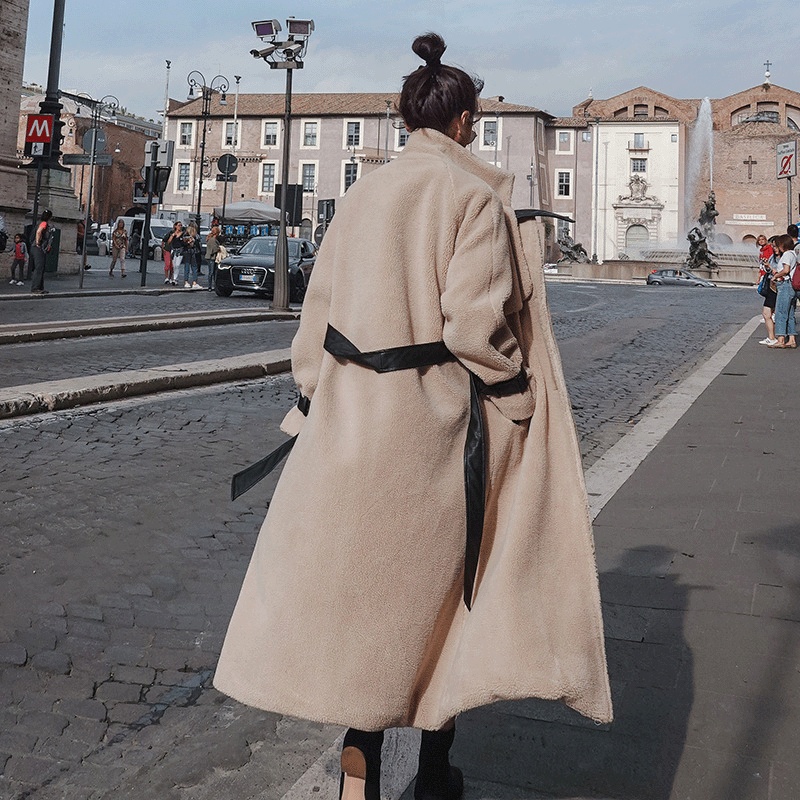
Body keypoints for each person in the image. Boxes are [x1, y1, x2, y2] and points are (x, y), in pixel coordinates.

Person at [213, 33, 612, 800]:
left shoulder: (363, 195)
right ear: (463, 122)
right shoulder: (472, 197)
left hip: (352, 425)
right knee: (446, 608)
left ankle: (358, 758)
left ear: (406, 121)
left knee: (364, 608)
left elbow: (316, 319)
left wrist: (315, 398)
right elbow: (474, 327)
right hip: (434, 434)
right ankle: (432, 773)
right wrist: (518, 395)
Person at [768, 233, 798, 348]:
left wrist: (775, 276)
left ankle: (780, 339)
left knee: (780, 312)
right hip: (792, 286)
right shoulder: (794, 254)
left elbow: (786, 270)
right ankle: (792, 339)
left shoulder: (786, 255)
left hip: (785, 285)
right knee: (790, 313)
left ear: (782, 245)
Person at [756, 234, 777, 345]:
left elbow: (773, 268)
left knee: (767, 311)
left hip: (772, 281)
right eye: (759, 240)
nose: (761, 241)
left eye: (763, 239)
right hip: (768, 278)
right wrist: (759, 276)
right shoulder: (762, 250)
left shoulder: (769, 250)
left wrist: (768, 268)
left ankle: (773, 338)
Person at [30, 209, 53, 295]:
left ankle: (40, 287)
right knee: (39, 268)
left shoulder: (40, 222)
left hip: (35, 248)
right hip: (38, 248)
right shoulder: (44, 223)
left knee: (41, 268)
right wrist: (38, 243)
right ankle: (35, 288)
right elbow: (39, 232)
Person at [181, 223, 201, 288]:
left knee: (187, 266)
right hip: (192, 251)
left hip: (187, 251)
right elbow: (198, 244)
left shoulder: (185, 234)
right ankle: (194, 282)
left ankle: (186, 282)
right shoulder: (196, 235)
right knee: (194, 267)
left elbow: (183, 243)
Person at [205, 224, 221, 291]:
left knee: (211, 272)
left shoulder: (210, 238)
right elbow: (213, 249)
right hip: (211, 257)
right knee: (212, 272)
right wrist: (219, 249)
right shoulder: (213, 240)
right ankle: (210, 286)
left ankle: (212, 286)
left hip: (209, 257)